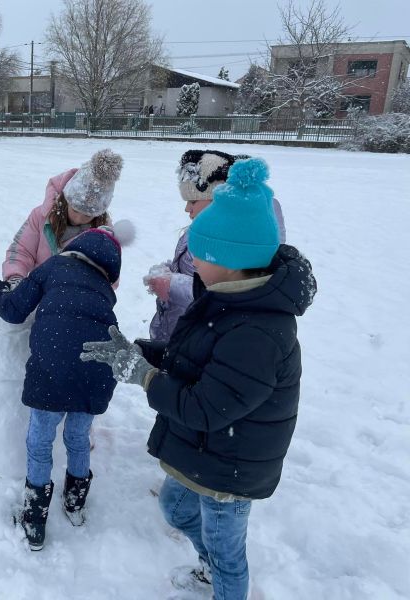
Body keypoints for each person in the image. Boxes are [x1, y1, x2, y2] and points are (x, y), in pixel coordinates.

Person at [81, 157, 316, 599]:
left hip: (231, 467)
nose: (191, 265)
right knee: (175, 507)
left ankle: (221, 581)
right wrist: (141, 353)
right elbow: (193, 359)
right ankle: (211, 567)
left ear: (226, 260)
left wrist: (145, 377)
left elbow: (207, 407)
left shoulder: (258, 332)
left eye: (198, 256)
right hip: (208, 450)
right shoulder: (225, 298)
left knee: (227, 553)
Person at [0, 228, 122, 551]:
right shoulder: (104, 287)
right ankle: (75, 504)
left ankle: (34, 520)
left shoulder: (55, 265)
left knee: (40, 441)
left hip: (55, 365)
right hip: (97, 369)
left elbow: (13, 309)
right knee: (77, 438)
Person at [145, 149, 287, 342]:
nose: (187, 208)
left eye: (193, 200)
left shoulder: (240, 242)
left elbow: (230, 293)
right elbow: (196, 271)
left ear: (218, 199)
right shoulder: (202, 230)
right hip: (181, 331)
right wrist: (170, 271)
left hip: (200, 337)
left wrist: (172, 284)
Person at [2, 148, 123, 288]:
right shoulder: (41, 216)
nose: (78, 219)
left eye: (87, 215)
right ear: (66, 200)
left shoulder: (104, 237)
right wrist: (15, 278)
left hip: (71, 298)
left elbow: (110, 279)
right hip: (34, 293)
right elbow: (21, 250)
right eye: (75, 209)